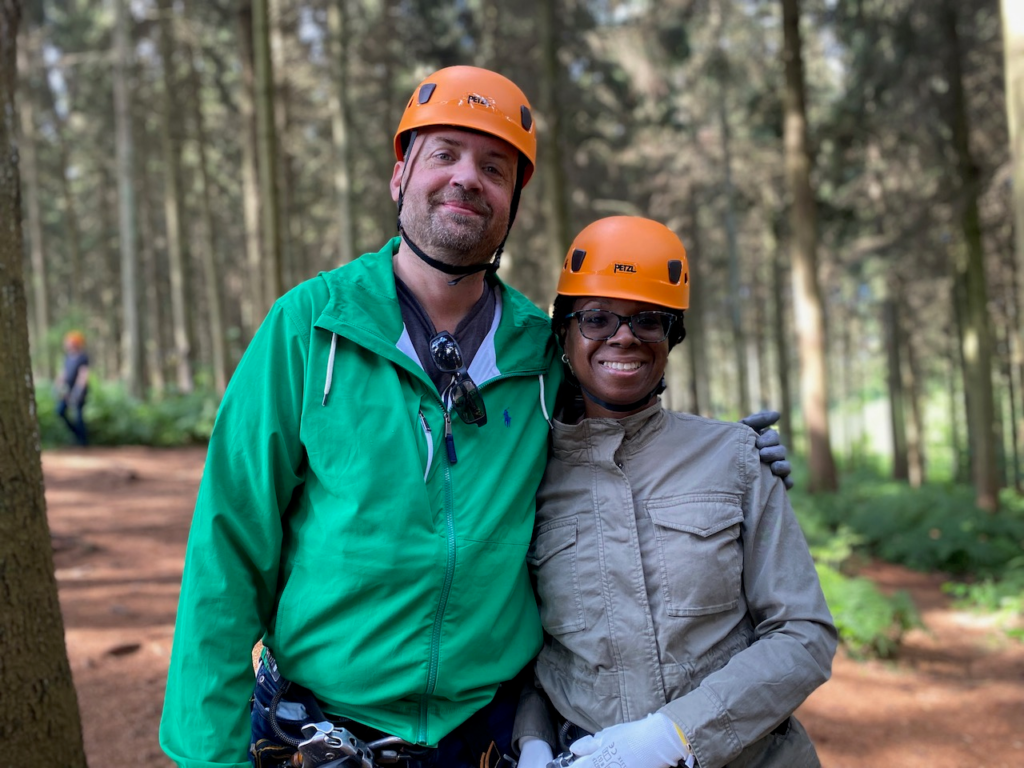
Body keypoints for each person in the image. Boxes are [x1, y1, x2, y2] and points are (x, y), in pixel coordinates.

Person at [160, 67, 792, 768]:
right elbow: (228, 542)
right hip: (322, 728)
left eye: (494, 168)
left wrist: (730, 456)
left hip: (488, 733)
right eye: (445, 154)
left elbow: (622, 444)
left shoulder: (541, 353)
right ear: (399, 175)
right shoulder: (311, 328)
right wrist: (209, 757)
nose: (467, 177)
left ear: (512, 203)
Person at [513, 216, 837, 768]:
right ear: (564, 332)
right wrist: (533, 740)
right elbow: (523, 650)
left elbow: (804, 634)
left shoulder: (736, 457)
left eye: (648, 320)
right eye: (596, 318)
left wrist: (677, 735)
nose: (624, 336)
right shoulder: (526, 477)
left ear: (672, 337)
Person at [55, 329, 90, 445]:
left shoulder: (83, 357)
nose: (67, 344)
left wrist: (77, 391)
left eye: (69, 342)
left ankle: (83, 441)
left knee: (78, 415)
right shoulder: (67, 357)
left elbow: (83, 375)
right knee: (60, 411)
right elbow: (63, 373)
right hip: (67, 390)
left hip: (79, 391)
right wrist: (58, 385)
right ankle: (76, 435)